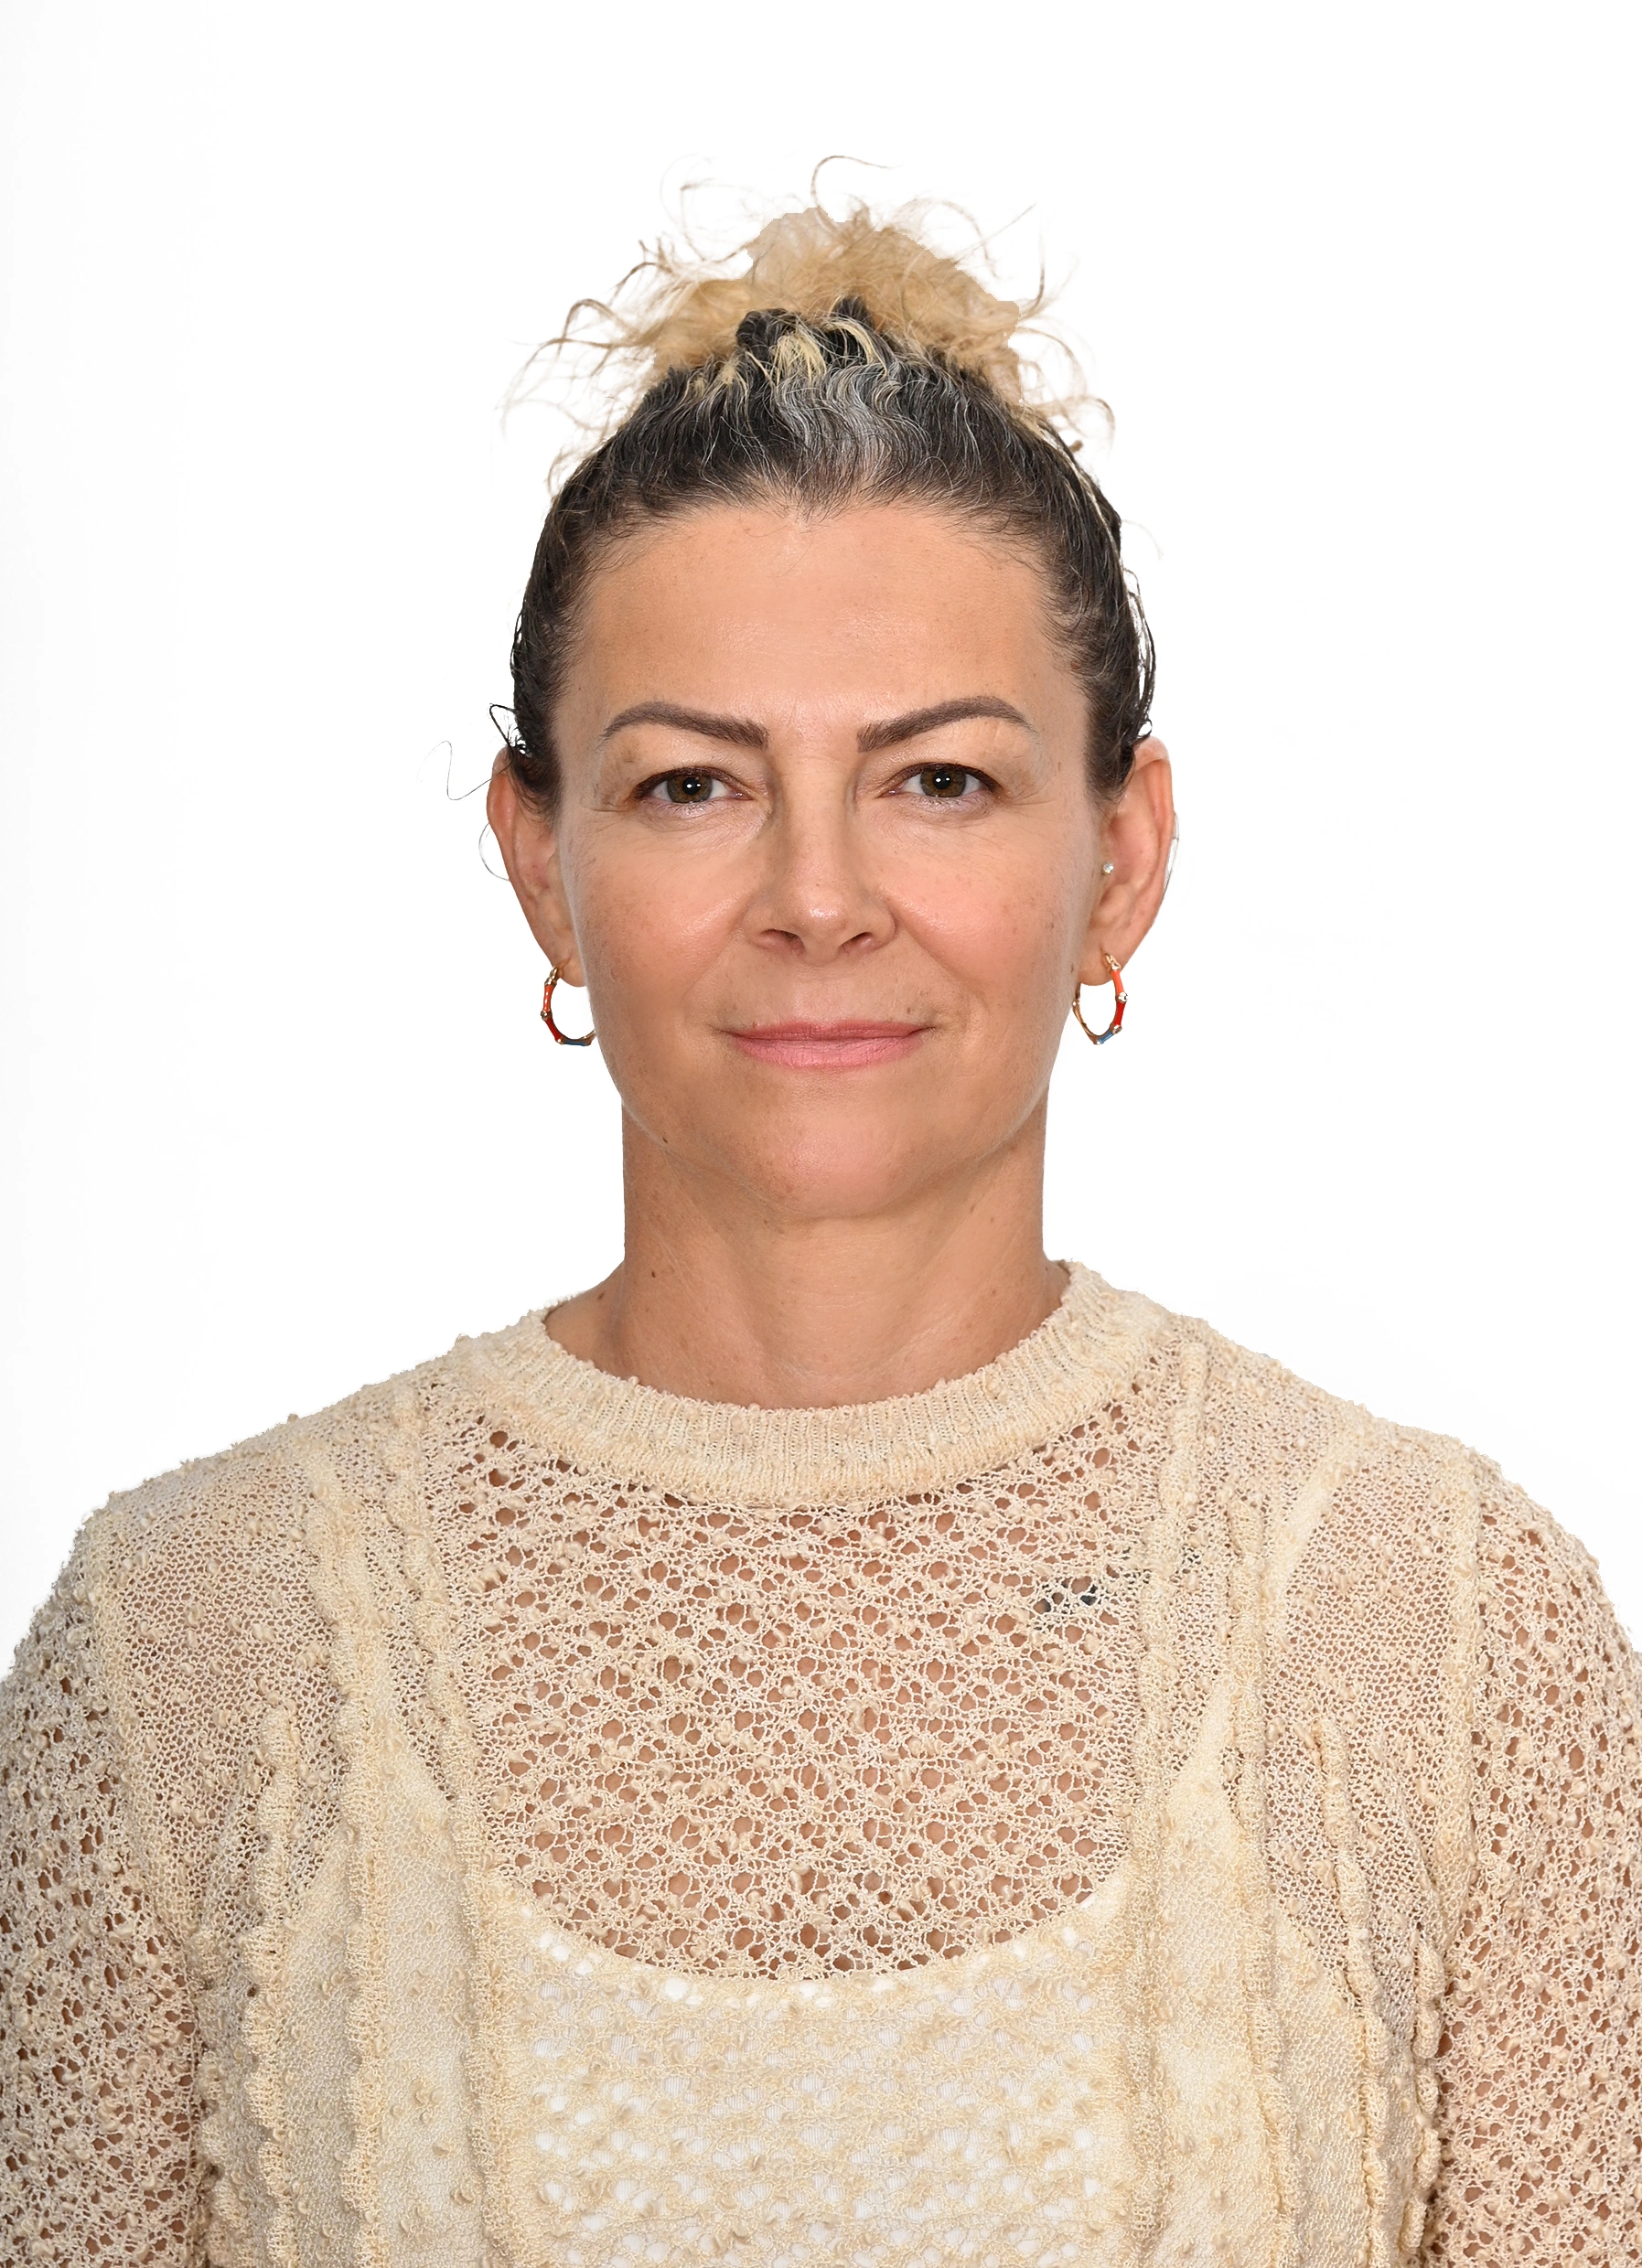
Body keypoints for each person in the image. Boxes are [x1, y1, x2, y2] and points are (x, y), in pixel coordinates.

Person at [2, 199, 1637, 2268]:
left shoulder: (1454, 1642)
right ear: (541, 862)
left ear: (1122, 855)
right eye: (693, 787)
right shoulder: (182, 1651)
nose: (817, 898)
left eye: (938, 781)